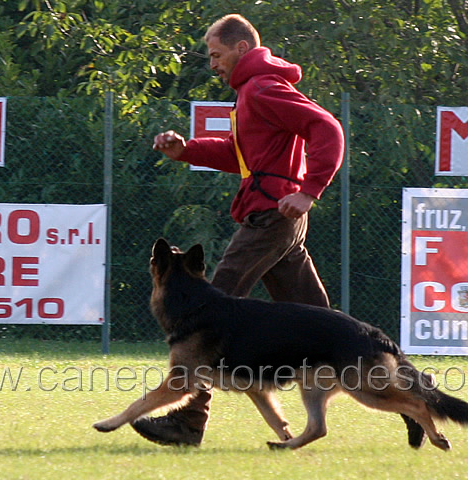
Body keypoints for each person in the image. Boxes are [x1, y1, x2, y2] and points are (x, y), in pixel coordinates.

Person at [133, 13, 345, 446]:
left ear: (241, 49)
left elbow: (327, 128)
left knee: (210, 311)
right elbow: (241, 154)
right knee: (326, 325)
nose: (212, 64)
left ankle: (187, 422)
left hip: (271, 216)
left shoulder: (263, 88)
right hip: (276, 216)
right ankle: (411, 395)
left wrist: (310, 189)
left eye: (216, 54)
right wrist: (187, 150)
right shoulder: (252, 91)